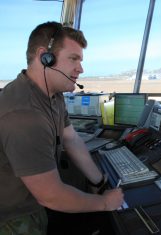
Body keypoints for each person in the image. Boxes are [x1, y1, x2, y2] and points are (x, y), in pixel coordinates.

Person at [0, 22, 124, 234]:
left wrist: (99, 183)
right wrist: (104, 203)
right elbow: (51, 195)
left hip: (36, 200)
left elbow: (71, 139)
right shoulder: (24, 114)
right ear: (45, 57)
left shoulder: (53, 95)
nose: (81, 69)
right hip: (14, 216)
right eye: (73, 59)